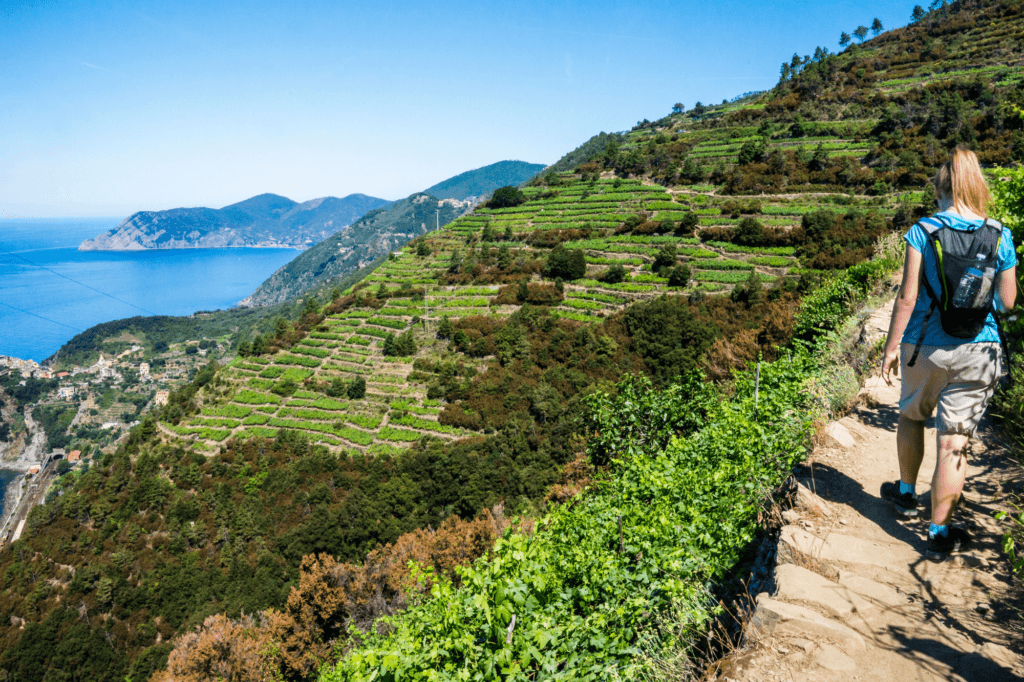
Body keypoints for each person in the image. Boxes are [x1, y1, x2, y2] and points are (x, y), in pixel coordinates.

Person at [880, 147, 1017, 560]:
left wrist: (890, 348)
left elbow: (907, 298)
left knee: (910, 415)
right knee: (953, 444)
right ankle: (937, 533)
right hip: (980, 349)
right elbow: (1008, 302)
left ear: (940, 188)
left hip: (925, 346)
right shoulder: (1001, 234)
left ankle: (905, 493)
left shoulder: (923, 230)